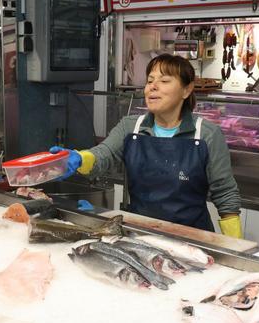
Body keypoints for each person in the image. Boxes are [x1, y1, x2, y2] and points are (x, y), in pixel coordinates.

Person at [50, 54, 243, 237]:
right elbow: (103, 155)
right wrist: (79, 158)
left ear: (186, 89)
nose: (153, 87)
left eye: (164, 81)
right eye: (150, 81)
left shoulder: (207, 134)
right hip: (141, 234)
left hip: (193, 238)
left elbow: (225, 193)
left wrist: (237, 249)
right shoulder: (130, 126)